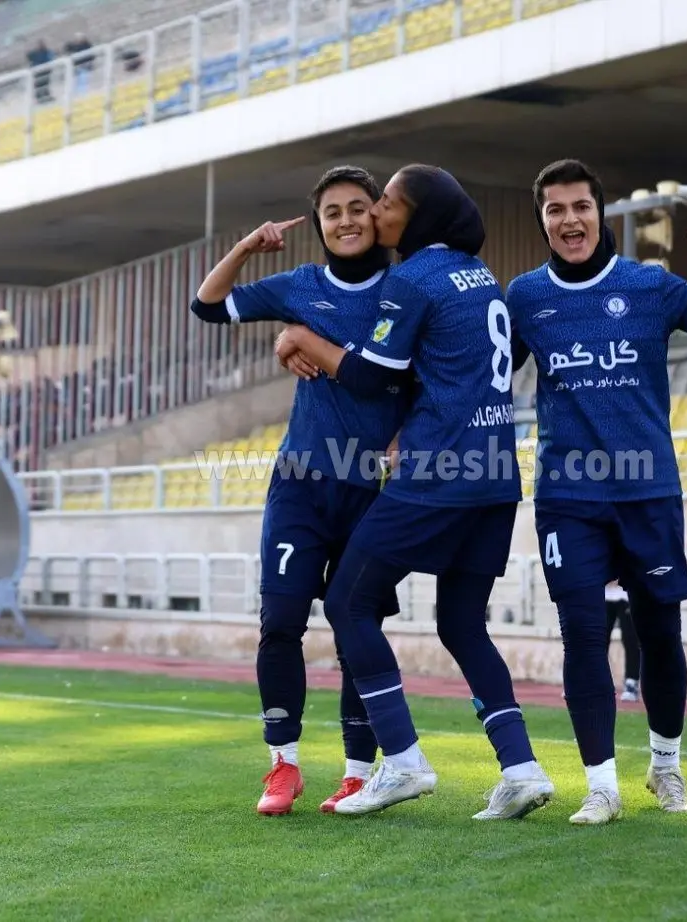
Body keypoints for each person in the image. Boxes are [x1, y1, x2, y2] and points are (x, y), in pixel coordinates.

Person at [273, 165, 554, 820]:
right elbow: (494, 358)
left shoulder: (413, 278)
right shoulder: (477, 275)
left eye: (389, 203)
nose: (376, 214)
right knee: (461, 622)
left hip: (439, 471)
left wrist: (299, 334)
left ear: (420, 215)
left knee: (347, 600)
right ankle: (521, 767)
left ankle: (400, 760)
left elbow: (369, 376)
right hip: (495, 475)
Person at [506, 158, 687, 824]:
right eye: (555, 210)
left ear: (600, 211)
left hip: (647, 491)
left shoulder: (651, 286)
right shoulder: (525, 297)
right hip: (567, 494)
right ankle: (601, 786)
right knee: (582, 636)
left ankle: (666, 768)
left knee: (660, 634)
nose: (569, 220)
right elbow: (485, 375)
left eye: (580, 206)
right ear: (543, 220)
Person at [189, 165, 412, 816]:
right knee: (281, 622)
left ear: (378, 215)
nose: (345, 220)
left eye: (357, 208)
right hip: (301, 485)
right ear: (319, 225)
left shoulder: (406, 291)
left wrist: (406, 438)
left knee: (356, 627)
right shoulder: (298, 287)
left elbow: (418, 377)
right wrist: (246, 248)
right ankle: (282, 766)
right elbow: (208, 305)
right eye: (332, 212)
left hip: (370, 490)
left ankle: (355, 772)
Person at [605, 581, 640, 702]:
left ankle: (632, 682)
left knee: (631, 640)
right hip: (602, 594)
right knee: (598, 641)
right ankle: (595, 682)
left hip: (627, 594)